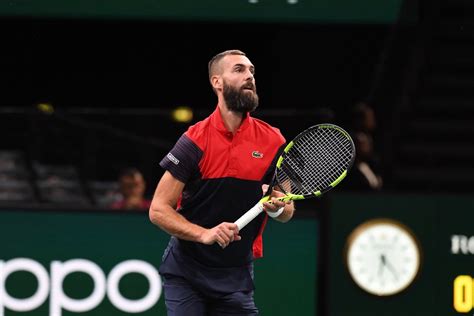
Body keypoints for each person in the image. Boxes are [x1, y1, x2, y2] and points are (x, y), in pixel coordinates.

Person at [149, 49, 295, 315]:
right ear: (217, 82)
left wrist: (276, 207)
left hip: (236, 275)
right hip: (187, 271)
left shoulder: (274, 140)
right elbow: (158, 209)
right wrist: (205, 234)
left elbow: (286, 210)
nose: (249, 76)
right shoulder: (194, 140)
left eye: (252, 71)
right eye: (239, 70)